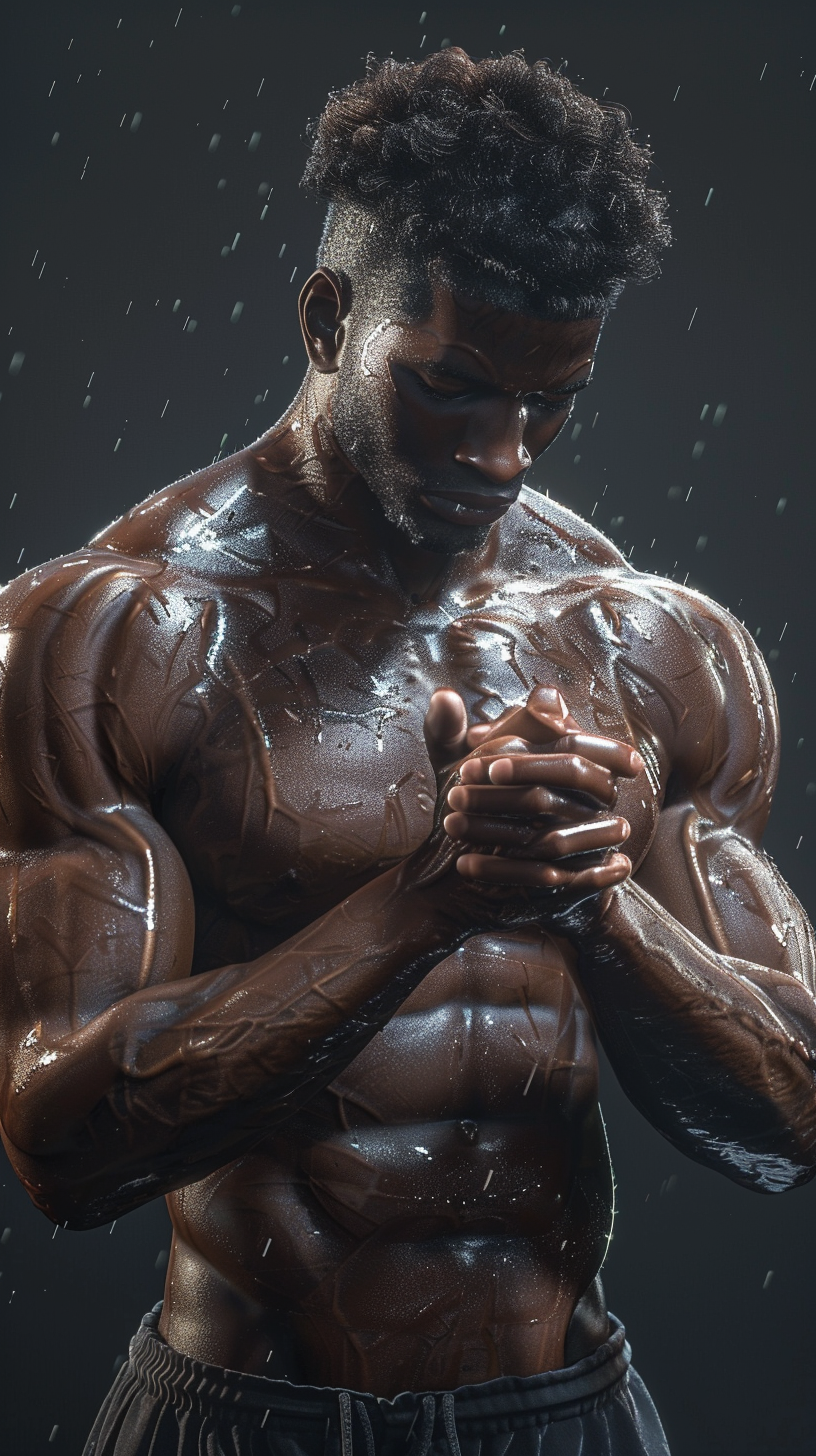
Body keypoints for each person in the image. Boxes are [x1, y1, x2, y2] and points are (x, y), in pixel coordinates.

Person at [1, 47, 815, 1456]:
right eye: (450, 389)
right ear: (326, 320)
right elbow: (64, 1145)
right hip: (256, 1416)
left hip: (575, 1413)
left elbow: (790, 1114)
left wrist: (593, 894)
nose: (504, 457)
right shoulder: (113, 636)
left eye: (548, 402)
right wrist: (427, 901)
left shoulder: (653, 646)